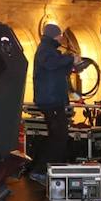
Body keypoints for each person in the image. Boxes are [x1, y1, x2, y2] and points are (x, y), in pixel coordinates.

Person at [30, 23, 83, 183]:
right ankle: (40, 170)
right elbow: (51, 63)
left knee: (58, 135)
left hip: (52, 100)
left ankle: (48, 169)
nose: (62, 38)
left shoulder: (49, 50)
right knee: (59, 136)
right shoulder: (46, 50)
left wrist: (72, 64)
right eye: (60, 35)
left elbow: (56, 69)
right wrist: (69, 58)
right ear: (55, 36)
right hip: (51, 100)